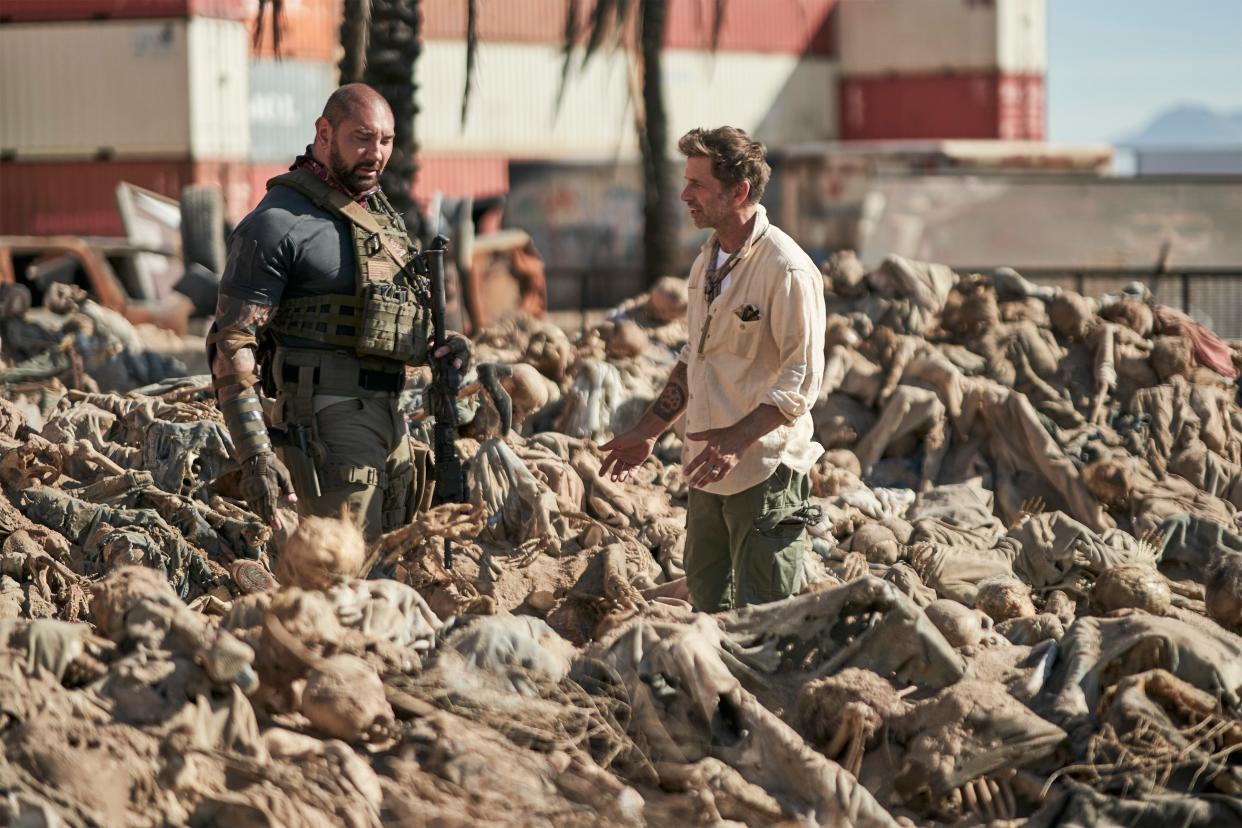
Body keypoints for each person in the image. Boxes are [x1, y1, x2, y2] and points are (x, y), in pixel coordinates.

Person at [208, 83, 468, 540]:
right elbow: (232, 343)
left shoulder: (380, 217)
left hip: (393, 422)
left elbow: (391, 318)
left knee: (394, 580)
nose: (376, 154)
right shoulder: (278, 223)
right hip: (329, 427)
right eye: (362, 138)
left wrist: (446, 350)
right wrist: (256, 456)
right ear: (324, 133)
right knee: (340, 581)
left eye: (386, 141)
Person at [599, 126, 826, 611]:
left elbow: (800, 381)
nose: (685, 196)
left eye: (698, 185)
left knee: (763, 618)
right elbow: (693, 359)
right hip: (707, 470)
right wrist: (647, 430)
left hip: (763, 474)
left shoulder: (786, 270)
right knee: (708, 606)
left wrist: (736, 439)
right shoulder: (707, 262)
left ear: (738, 191)